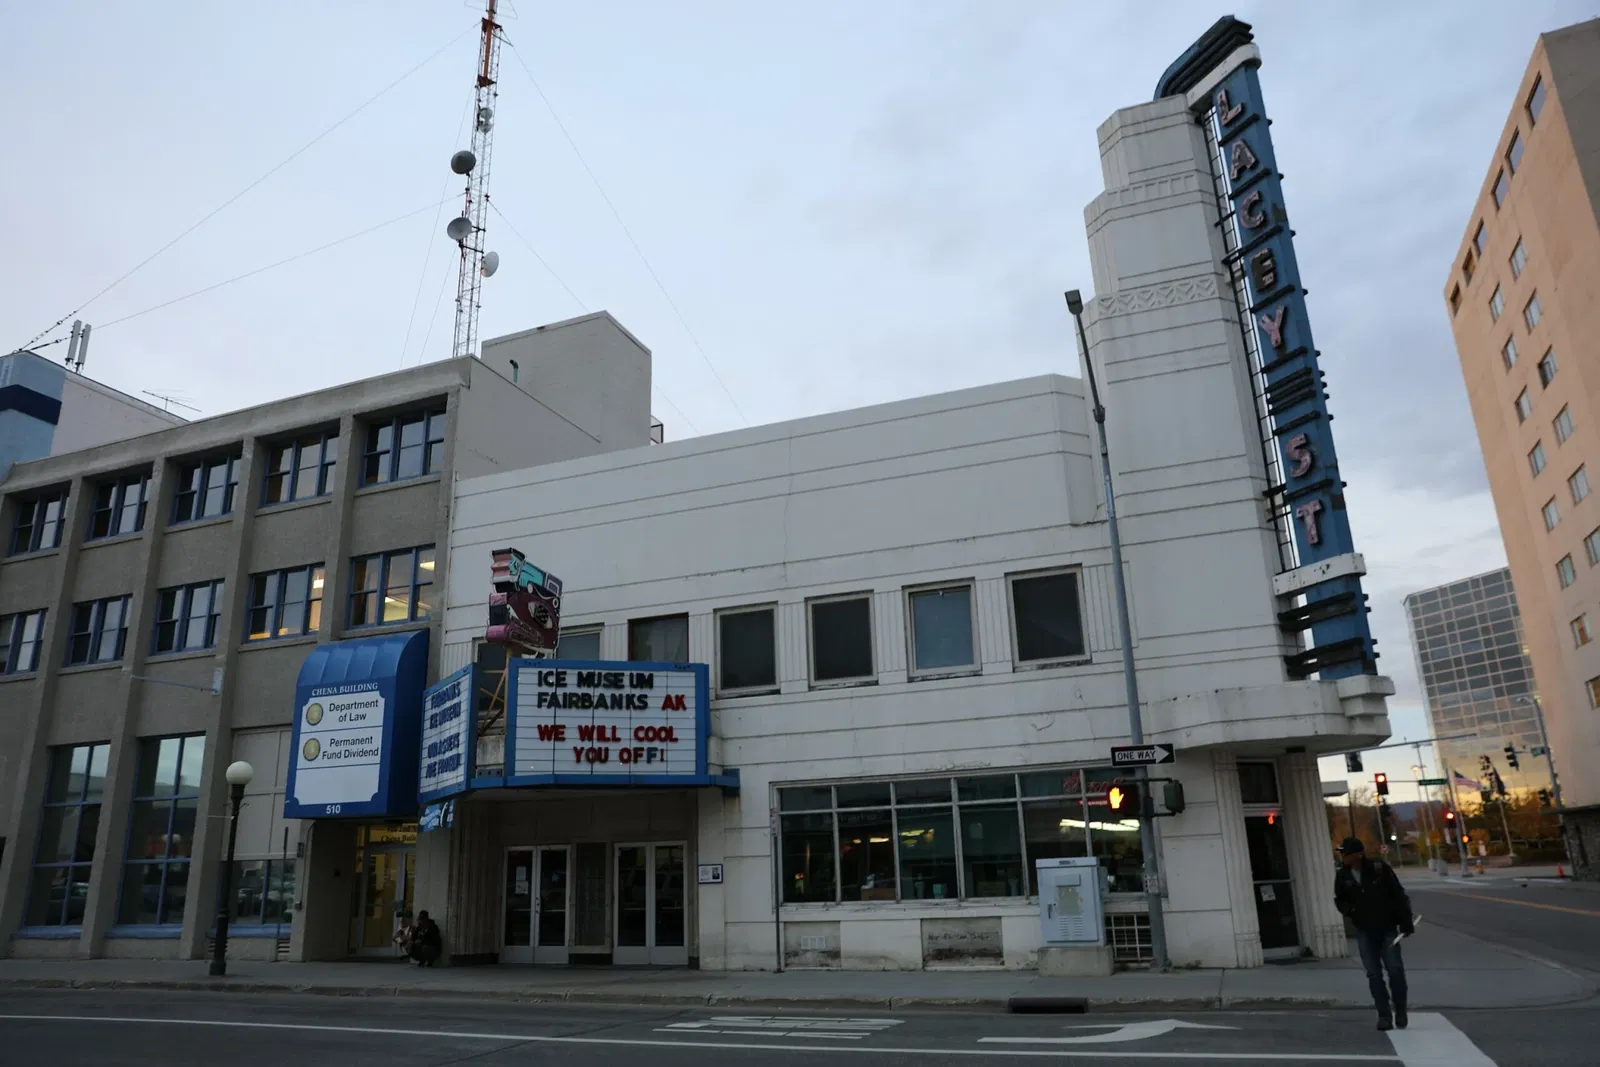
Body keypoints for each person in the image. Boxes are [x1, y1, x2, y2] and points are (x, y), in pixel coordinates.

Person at [1333, 838, 1414, 1031]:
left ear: (1358, 854)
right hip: (1364, 930)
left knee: (1395, 970)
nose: (1343, 856)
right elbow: (1340, 899)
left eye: (1346, 853)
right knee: (1373, 974)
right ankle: (1384, 1015)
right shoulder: (1343, 875)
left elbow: (1398, 894)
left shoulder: (1379, 869)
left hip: (1387, 928)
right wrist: (1351, 911)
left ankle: (1400, 1011)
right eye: (1342, 853)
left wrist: (1406, 923)